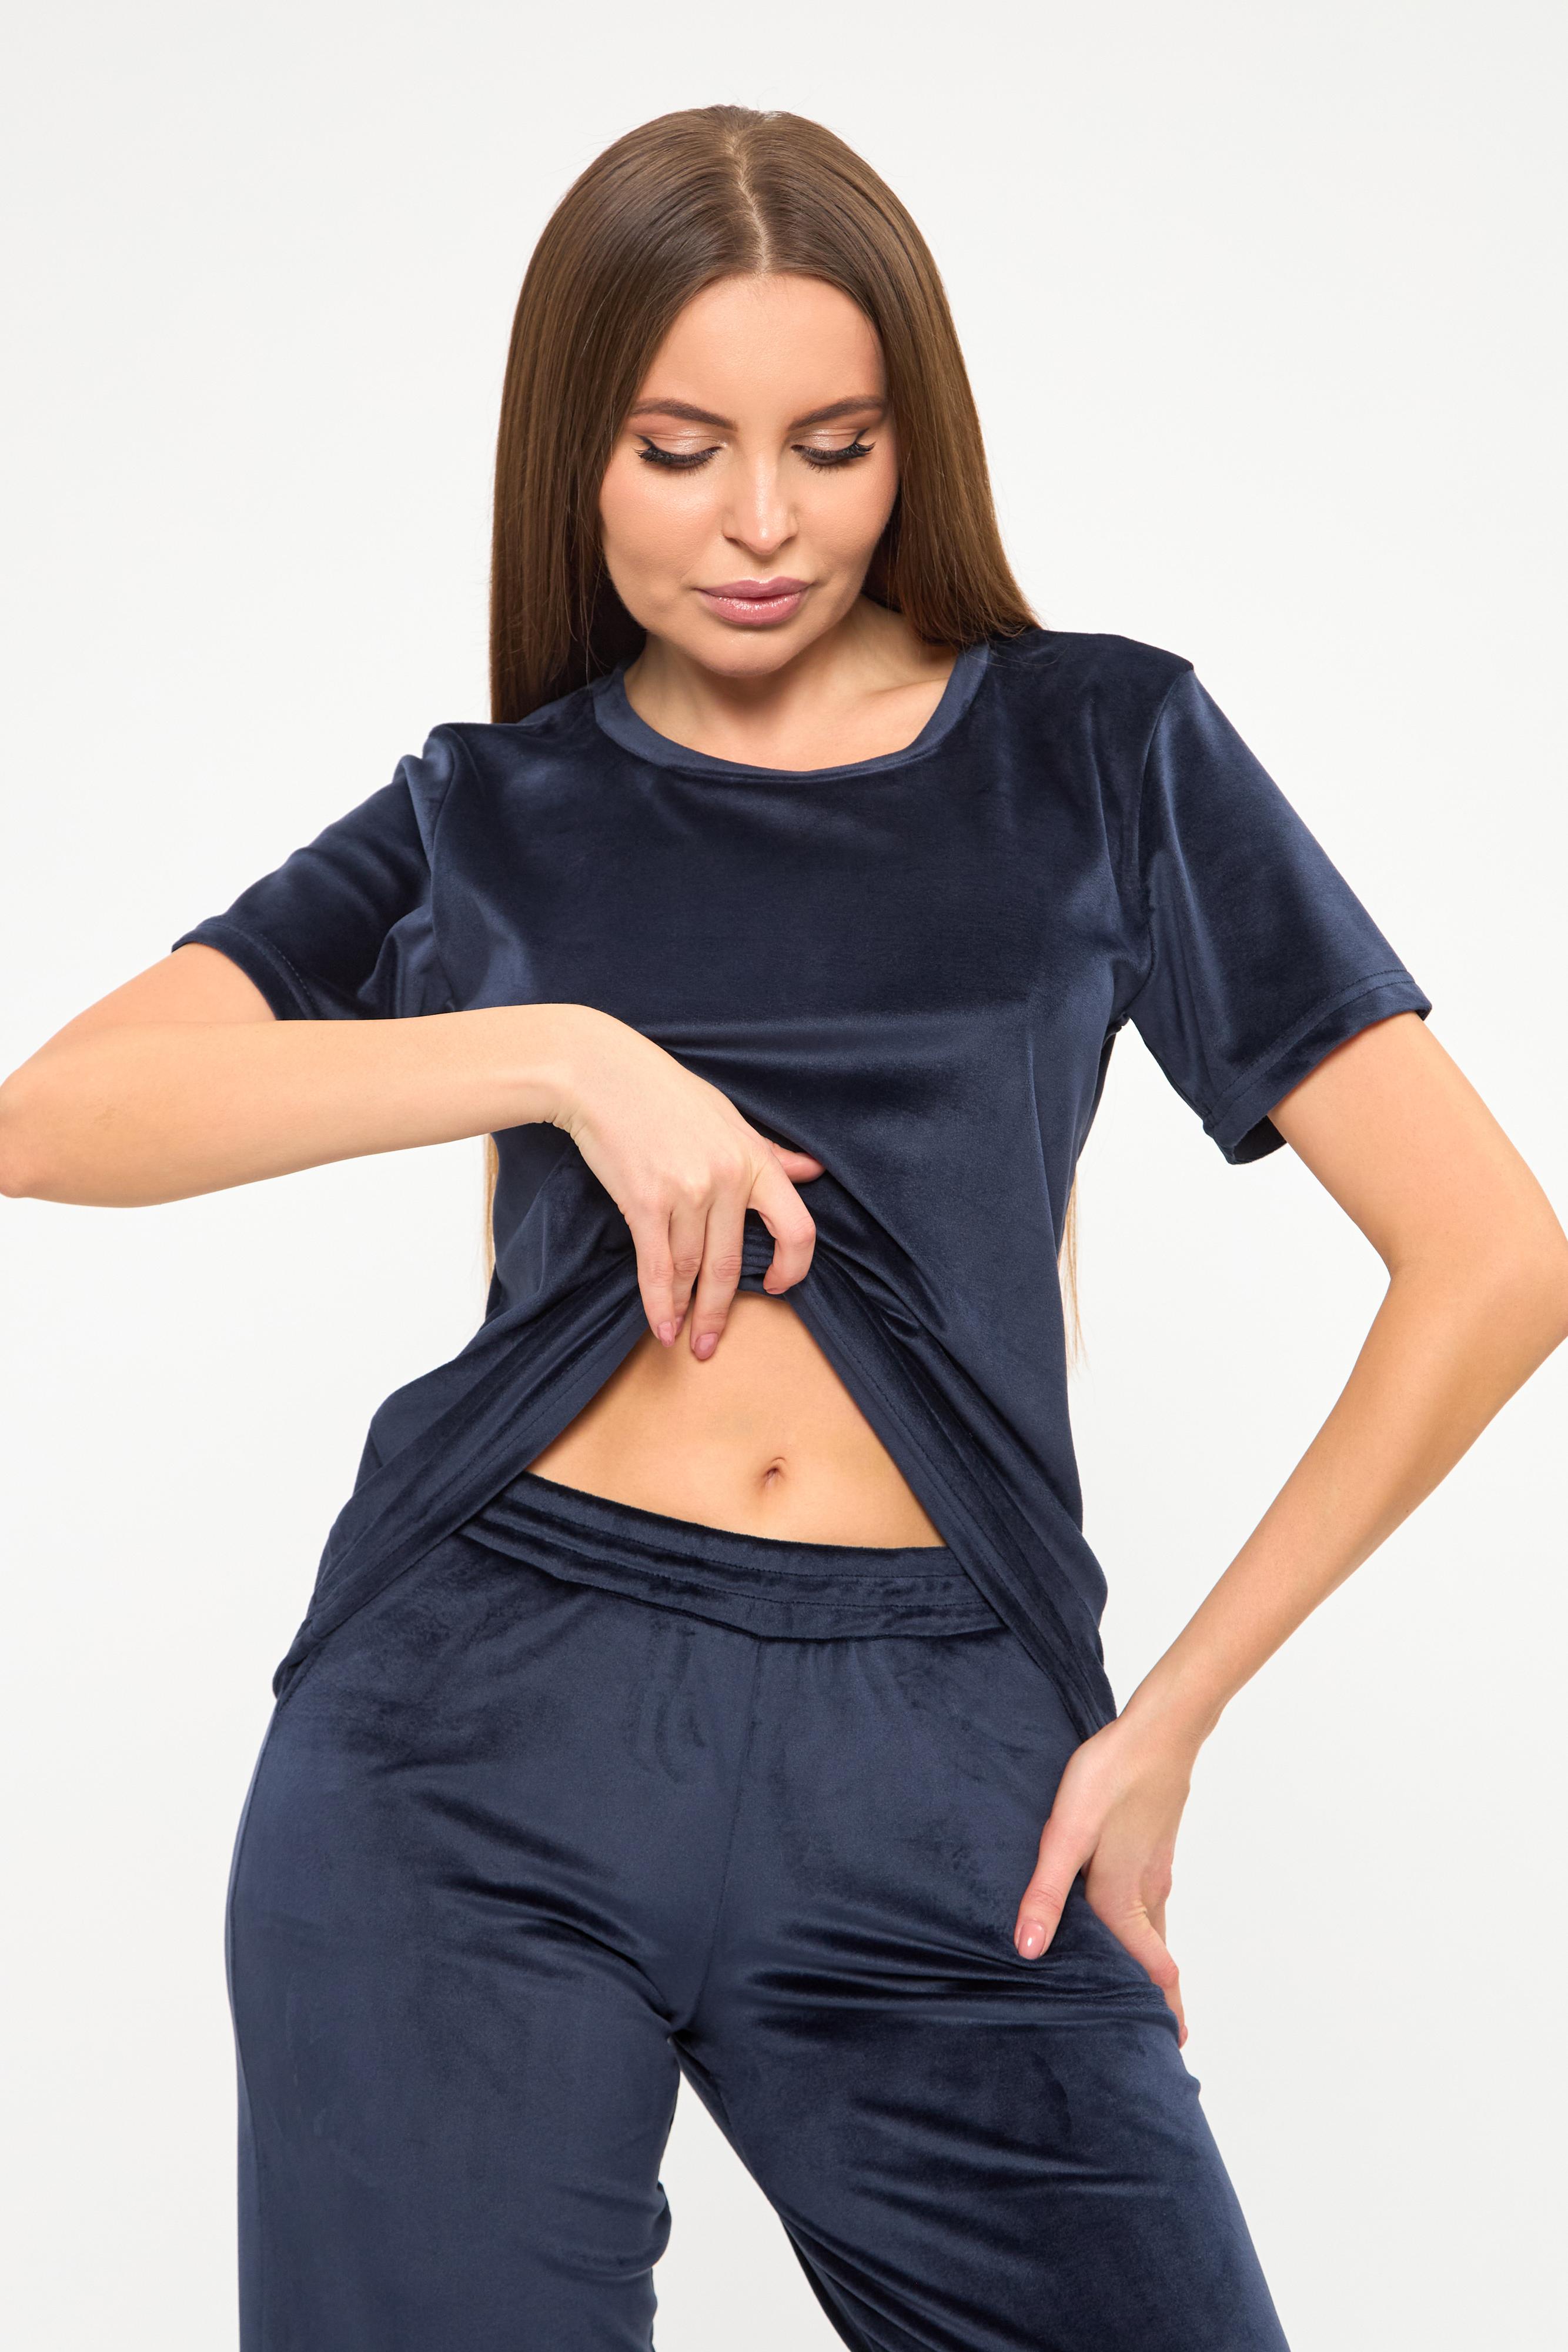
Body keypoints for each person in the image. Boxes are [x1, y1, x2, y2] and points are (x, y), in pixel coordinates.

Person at [2, 101, 1564, 2352]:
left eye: (833, 446)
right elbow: (59, 1116)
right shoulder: (492, 811)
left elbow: (1495, 1257)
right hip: (472, 1736)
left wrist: (1170, 1722)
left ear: (909, 444)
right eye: (679, 450)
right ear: (577, 456)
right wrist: (564, 1057)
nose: (763, 521)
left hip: (943, 1750)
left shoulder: (1100, 750)